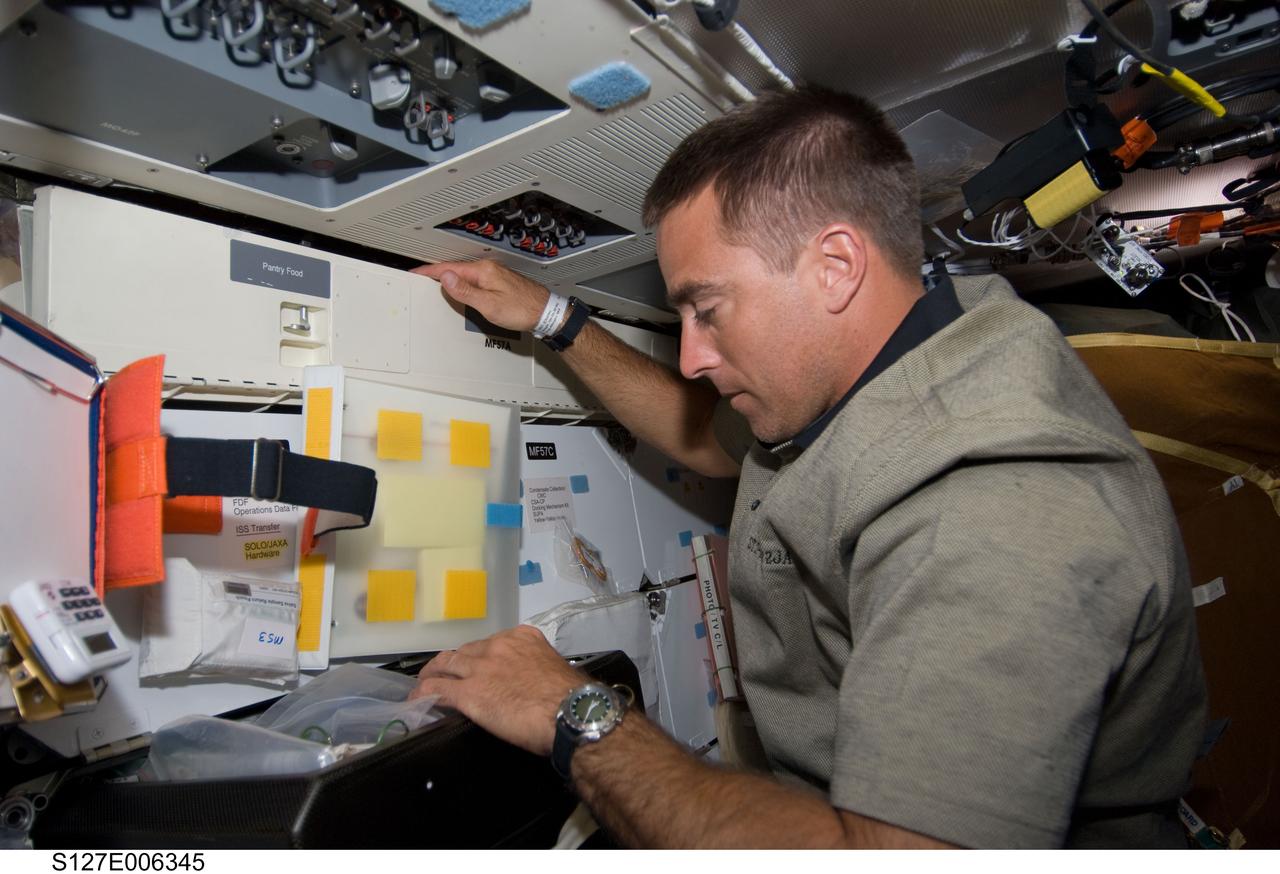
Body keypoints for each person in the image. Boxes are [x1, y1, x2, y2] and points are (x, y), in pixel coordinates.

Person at [409, 85, 1206, 848]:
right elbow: (705, 442)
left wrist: (574, 713)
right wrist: (554, 317)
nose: (690, 357)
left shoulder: (995, 513)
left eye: (707, 309)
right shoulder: (885, 348)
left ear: (835, 266)